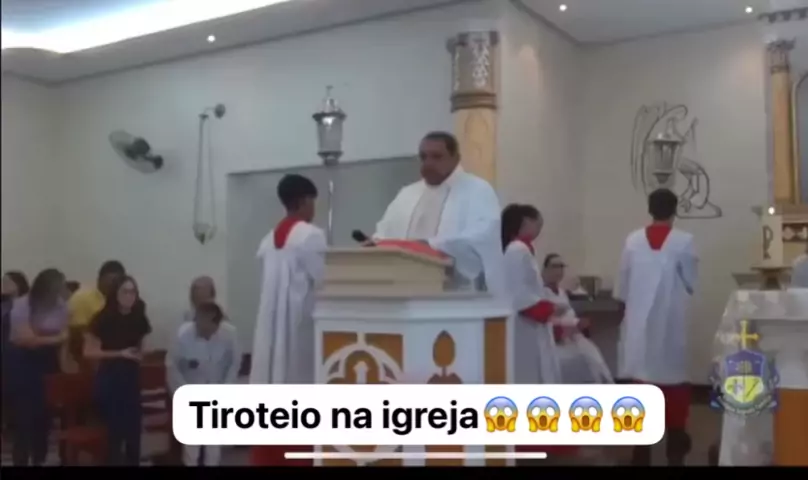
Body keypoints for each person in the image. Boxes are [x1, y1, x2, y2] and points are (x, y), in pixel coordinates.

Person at [614, 188, 698, 466]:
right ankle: (675, 451)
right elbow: (691, 282)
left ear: (650, 210)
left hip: (639, 323)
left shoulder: (633, 240)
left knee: (642, 382)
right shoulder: (684, 241)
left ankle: (641, 453)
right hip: (671, 322)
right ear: (675, 210)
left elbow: (622, 284)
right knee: (673, 382)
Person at [250, 173, 326, 466]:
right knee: (298, 385)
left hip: (270, 325)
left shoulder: (269, 240)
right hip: (299, 325)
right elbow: (324, 281)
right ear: (304, 201)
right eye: (312, 201)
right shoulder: (311, 235)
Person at [372, 131, 504, 294]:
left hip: (456, 291)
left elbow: (483, 236)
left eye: (436, 156)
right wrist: (375, 245)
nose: (428, 163)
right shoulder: (407, 193)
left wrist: (431, 245)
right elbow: (384, 232)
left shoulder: (477, 190)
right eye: (423, 157)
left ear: (455, 158)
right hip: (405, 288)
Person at [84, 275, 151, 466]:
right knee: (114, 434)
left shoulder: (138, 317)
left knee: (133, 433)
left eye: (133, 292)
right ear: (115, 294)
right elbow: (89, 352)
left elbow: (142, 344)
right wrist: (120, 353)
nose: (130, 296)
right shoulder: (102, 318)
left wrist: (140, 353)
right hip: (110, 378)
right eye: (125, 292)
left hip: (131, 377)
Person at [7, 269, 69, 466]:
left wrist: (63, 365)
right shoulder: (22, 305)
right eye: (57, 288)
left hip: (48, 362)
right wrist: (56, 338)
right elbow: (28, 341)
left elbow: (65, 337)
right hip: (23, 362)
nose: (61, 292)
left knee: (45, 416)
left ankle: (39, 459)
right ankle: (20, 461)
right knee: (25, 416)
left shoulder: (61, 305)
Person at [167, 302, 241, 466]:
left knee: (213, 444)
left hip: (217, 391)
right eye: (199, 322)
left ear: (217, 324)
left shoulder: (229, 333)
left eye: (207, 325)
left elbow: (235, 363)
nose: (201, 328)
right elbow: (172, 367)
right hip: (190, 390)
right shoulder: (182, 335)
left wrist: (227, 388)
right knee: (191, 445)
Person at [542, 254, 612, 384]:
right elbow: (547, 319)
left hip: (573, 337)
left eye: (561, 267)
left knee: (593, 356)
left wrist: (579, 324)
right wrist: (571, 325)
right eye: (554, 266)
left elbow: (569, 314)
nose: (558, 270)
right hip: (556, 341)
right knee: (576, 360)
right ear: (545, 270)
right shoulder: (542, 293)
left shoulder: (562, 292)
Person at [67, 260, 126, 368]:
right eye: (111, 281)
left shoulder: (121, 300)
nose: (114, 285)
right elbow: (76, 335)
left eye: (118, 282)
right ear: (99, 279)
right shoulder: (82, 298)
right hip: (87, 358)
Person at [2, 271, 30, 431]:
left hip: (19, 352)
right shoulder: (4, 305)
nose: (2, 284)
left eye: (7, 281)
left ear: (18, 284)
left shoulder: (28, 305)